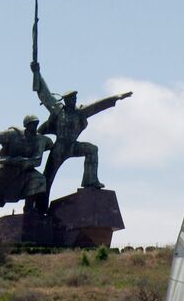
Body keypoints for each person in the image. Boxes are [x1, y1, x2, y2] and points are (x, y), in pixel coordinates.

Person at [31, 59, 131, 205]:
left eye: (75, 98)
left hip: (72, 146)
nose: (74, 100)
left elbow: (98, 106)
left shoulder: (80, 112)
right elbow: (45, 94)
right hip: (59, 148)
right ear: (66, 100)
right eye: (72, 98)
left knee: (92, 150)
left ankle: (90, 181)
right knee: (48, 177)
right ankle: (39, 206)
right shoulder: (58, 110)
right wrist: (37, 72)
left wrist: (116, 97)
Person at [0, 114, 53, 220]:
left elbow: (37, 160)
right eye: (32, 124)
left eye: (36, 124)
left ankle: (29, 209)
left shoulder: (40, 140)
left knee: (39, 179)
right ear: (26, 125)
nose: (34, 126)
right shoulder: (13, 134)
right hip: (7, 166)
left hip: (26, 169)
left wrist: (25, 162)